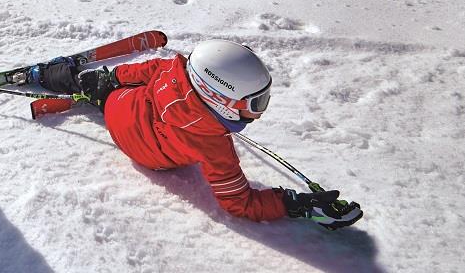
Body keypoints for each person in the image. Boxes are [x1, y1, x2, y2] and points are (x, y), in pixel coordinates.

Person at [28, 39, 362, 229]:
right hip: (147, 158)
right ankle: (88, 90)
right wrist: (295, 204)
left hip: (118, 109)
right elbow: (240, 203)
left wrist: (108, 80)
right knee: (116, 94)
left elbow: (131, 73)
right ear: (221, 97)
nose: (258, 111)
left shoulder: (168, 69)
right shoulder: (215, 147)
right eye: (255, 103)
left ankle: (66, 79)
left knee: (102, 87)